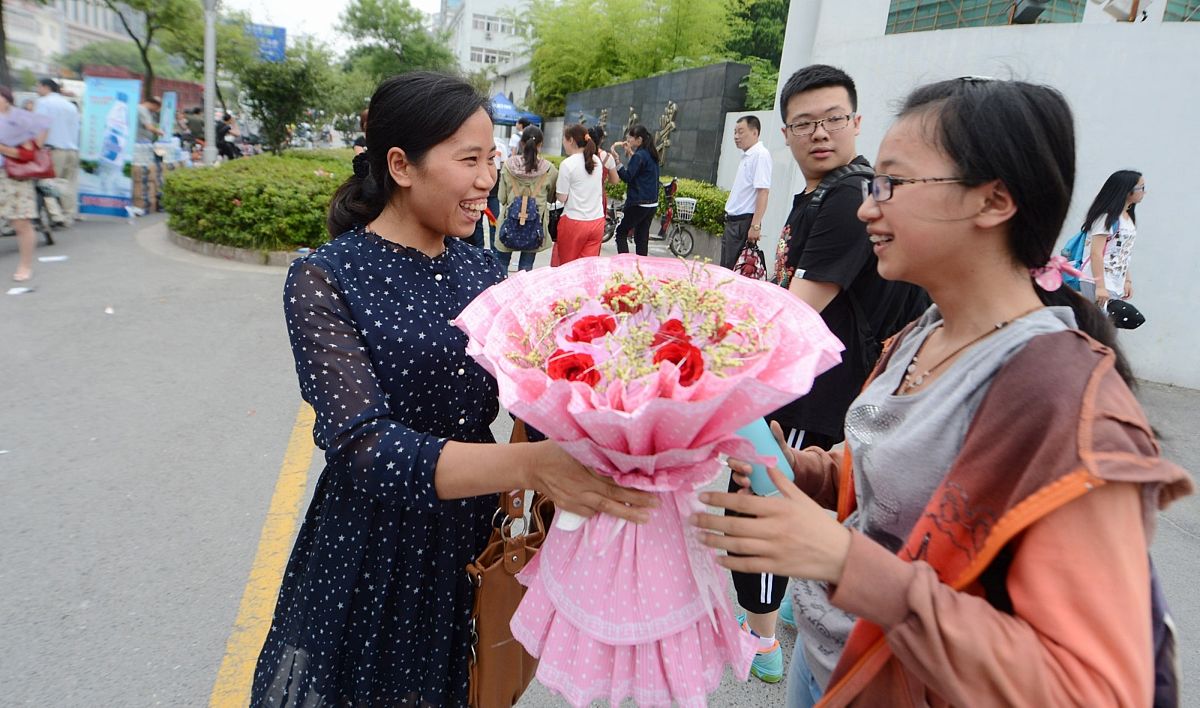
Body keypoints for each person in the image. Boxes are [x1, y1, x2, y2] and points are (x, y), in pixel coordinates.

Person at [693, 77, 1194, 708]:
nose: (867, 207)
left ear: (993, 201)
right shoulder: (922, 332)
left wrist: (845, 562)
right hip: (834, 667)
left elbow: (1092, 688)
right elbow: (897, 469)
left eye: (891, 185)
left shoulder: (1069, 405)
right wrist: (802, 469)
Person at [250, 72, 656, 708]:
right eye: (469, 159)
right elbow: (365, 448)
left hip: (469, 539)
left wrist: (627, 407)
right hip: (368, 548)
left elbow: (543, 388)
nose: (486, 178)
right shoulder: (323, 279)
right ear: (400, 166)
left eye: (490, 158)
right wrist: (531, 463)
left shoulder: (483, 269)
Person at [733, 65, 927, 684]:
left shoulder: (848, 197)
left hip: (822, 389)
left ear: (856, 122)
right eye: (805, 122)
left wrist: (717, 361)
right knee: (807, 494)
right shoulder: (824, 193)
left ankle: (761, 638)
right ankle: (793, 602)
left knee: (765, 495)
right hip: (828, 385)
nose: (821, 133)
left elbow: (792, 312)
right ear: (786, 133)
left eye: (834, 118)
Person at [1080, 170, 1144, 321]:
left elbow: (1123, 252)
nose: (1144, 192)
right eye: (1141, 188)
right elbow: (1096, 253)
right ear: (1127, 191)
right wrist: (1100, 287)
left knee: (1109, 329)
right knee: (1099, 328)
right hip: (1097, 281)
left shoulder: (1128, 217)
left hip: (1114, 283)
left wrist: (1127, 280)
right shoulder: (1106, 218)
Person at [0, 85, 49, 282]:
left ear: (7, 99)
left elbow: (28, 154)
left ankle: (25, 266)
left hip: (13, 178)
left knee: (21, 224)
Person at [495, 125, 557, 272]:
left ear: (521, 143)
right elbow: (551, 199)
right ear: (540, 145)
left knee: (502, 264)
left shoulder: (508, 166)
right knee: (526, 267)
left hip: (509, 223)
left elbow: (502, 198)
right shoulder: (549, 169)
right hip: (535, 226)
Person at [721, 115, 772, 269]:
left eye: (741, 132)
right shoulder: (748, 155)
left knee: (732, 272)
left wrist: (755, 226)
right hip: (734, 223)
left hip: (743, 224)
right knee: (726, 268)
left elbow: (763, 191)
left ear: (755, 133)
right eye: (735, 132)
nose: (736, 136)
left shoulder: (760, 155)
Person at [551, 123, 606, 266]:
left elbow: (562, 198)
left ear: (570, 140)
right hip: (597, 222)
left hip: (574, 223)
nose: (563, 144)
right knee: (586, 269)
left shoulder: (567, 164)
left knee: (567, 268)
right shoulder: (597, 161)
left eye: (564, 140)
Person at [35, 78, 80, 227]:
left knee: (46, 183)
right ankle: (68, 216)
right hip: (72, 151)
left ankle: (56, 215)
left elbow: (40, 127)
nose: (37, 90)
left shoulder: (44, 102)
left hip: (53, 150)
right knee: (66, 185)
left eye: (38, 86)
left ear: (45, 87)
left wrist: (36, 147)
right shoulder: (70, 105)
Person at [610, 124, 660, 256]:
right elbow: (641, 167)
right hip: (652, 204)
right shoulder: (650, 154)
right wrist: (631, 153)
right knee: (641, 238)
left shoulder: (640, 156)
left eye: (631, 136)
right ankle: (640, 270)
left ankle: (625, 267)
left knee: (620, 232)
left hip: (639, 203)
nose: (628, 138)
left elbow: (627, 177)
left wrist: (617, 162)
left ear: (639, 140)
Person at [131, 96, 163, 213]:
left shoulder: (137, 108)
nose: (156, 111)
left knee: (141, 172)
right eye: (157, 108)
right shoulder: (143, 110)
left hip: (139, 145)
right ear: (154, 105)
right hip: (140, 146)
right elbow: (148, 127)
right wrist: (160, 132)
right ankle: (141, 203)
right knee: (143, 169)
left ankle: (140, 202)